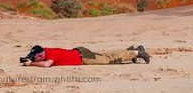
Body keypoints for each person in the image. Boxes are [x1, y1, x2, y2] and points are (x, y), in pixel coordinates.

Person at [22, 45, 150, 67]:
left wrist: (31, 64)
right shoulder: (45, 51)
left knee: (108, 60)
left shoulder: (51, 54)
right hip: (80, 53)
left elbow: (46, 65)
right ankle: (130, 51)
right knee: (106, 55)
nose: (35, 59)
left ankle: (137, 52)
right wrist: (31, 60)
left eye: (36, 57)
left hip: (83, 58)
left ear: (41, 53)